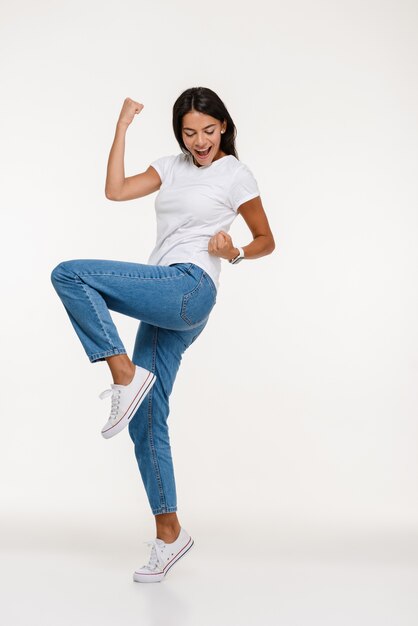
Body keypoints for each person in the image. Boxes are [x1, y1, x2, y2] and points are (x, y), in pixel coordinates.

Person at [50, 86, 275, 583]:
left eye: (209, 132)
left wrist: (233, 249)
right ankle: (170, 533)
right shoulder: (169, 167)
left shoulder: (235, 174)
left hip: (190, 288)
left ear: (224, 128)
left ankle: (123, 374)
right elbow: (115, 190)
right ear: (180, 133)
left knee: (70, 273)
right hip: (162, 292)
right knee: (146, 418)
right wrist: (121, 127)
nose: (200, 142)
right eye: (190, 132)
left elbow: (267, 239)